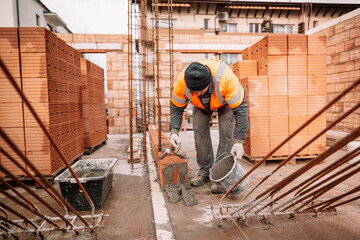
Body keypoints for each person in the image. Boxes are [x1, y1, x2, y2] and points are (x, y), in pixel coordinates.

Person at [169, 59, 249, 194]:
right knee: (199, 132)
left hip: (225, 103)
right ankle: (205, 172)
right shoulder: (182, 81)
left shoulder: (225, 79)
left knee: (225, 132)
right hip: (200, 106)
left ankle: (219, 176)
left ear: (209, 83)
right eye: (192, 91)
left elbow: (241, 109)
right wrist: (174, 131)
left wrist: (240, 141)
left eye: (200, 90)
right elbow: (177, 108)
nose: (197, 93)